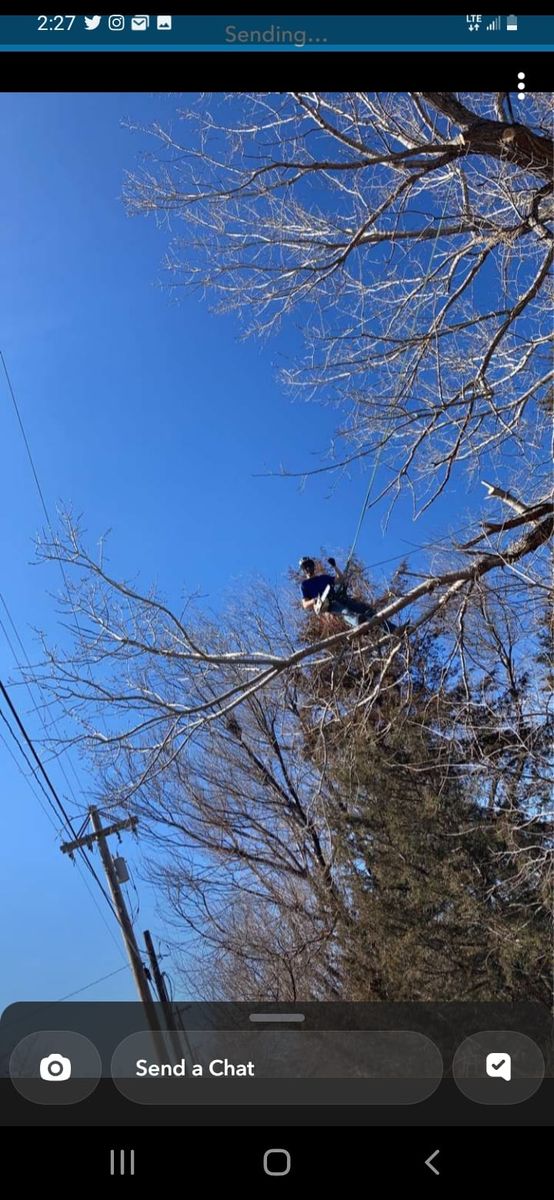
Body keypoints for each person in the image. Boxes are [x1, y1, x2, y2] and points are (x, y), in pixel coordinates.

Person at [299, 555, 382, 631]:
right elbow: (305, 605)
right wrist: (314, 600)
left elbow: (340, 579)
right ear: (303, 570)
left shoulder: (323, 578)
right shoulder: (305, 585)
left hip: (337, 598)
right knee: (345, 611)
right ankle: (358, 623)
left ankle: (379, 622)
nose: (308, 568)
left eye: (309, 566)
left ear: (313, 566)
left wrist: (335, 567)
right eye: (305, 567)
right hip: (327, 606)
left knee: (361, 608)